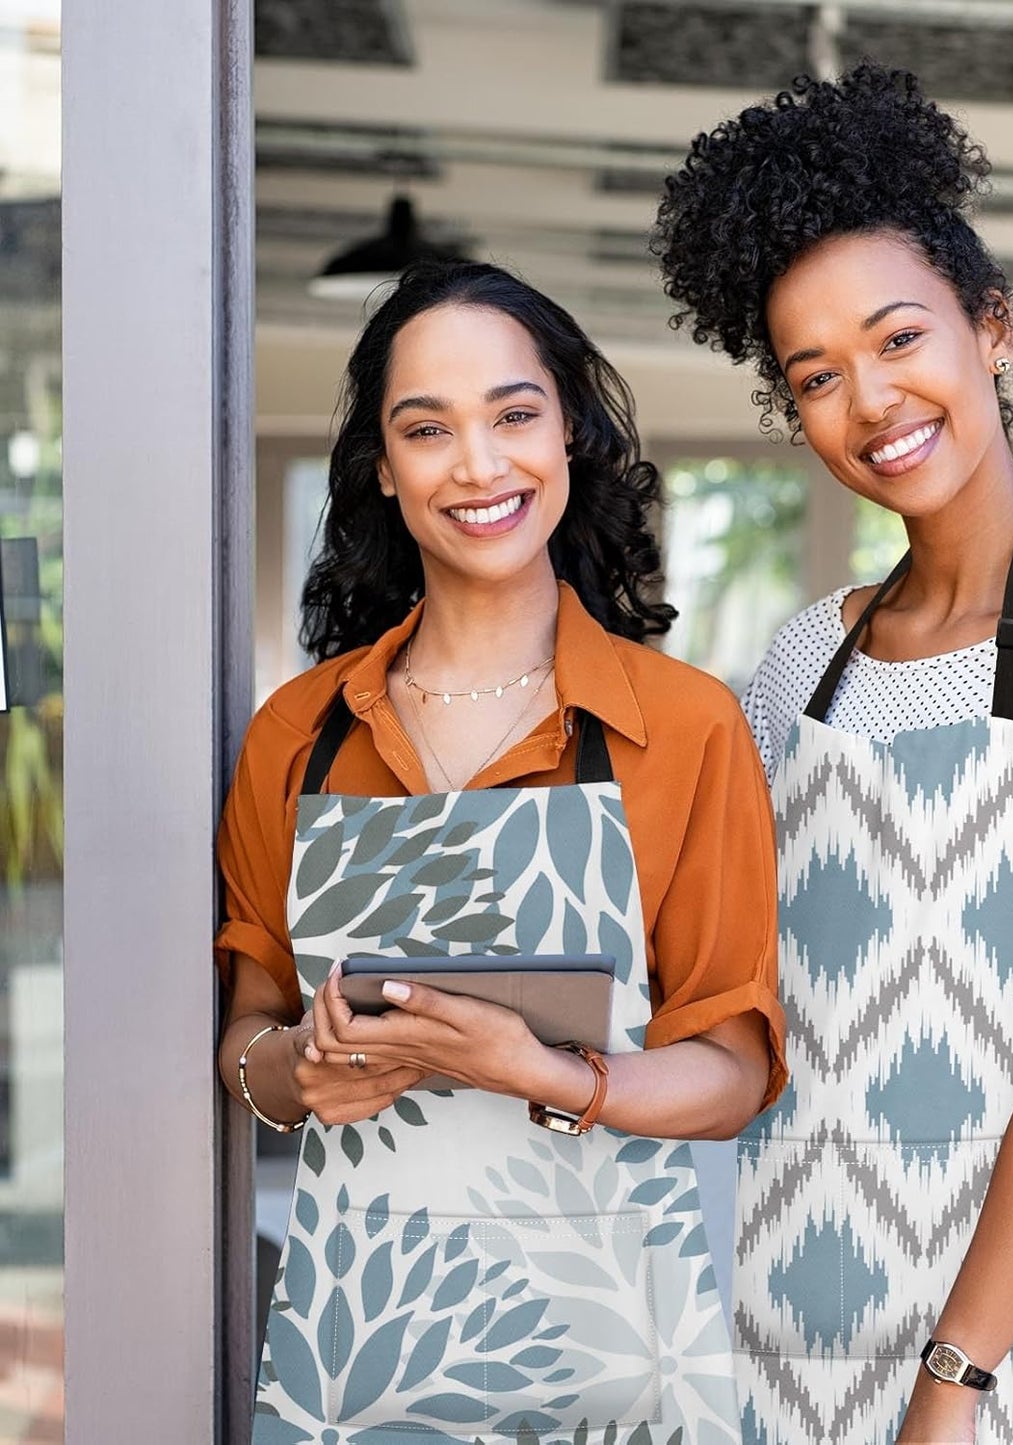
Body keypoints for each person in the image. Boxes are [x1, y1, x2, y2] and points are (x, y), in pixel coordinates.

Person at [654, 63, 1013, 1445]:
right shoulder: (802, 661)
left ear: (992, 328)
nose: (871, 399)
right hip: (782, 1285)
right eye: (817, 376)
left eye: (900, 337)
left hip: (1011, 1333)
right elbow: (737, 986)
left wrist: (951, 1383)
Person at [214, 259, 786, 1445]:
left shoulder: (681, 726)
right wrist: (290, 1071)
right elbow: (248, 1026)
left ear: (568, 432)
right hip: (356, 1361)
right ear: (385, 467)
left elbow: (732, 1067)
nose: (478, 465)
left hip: (619, 1366)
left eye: (514, 415)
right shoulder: (296, 733)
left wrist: (548, 1073)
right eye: (428, 429)